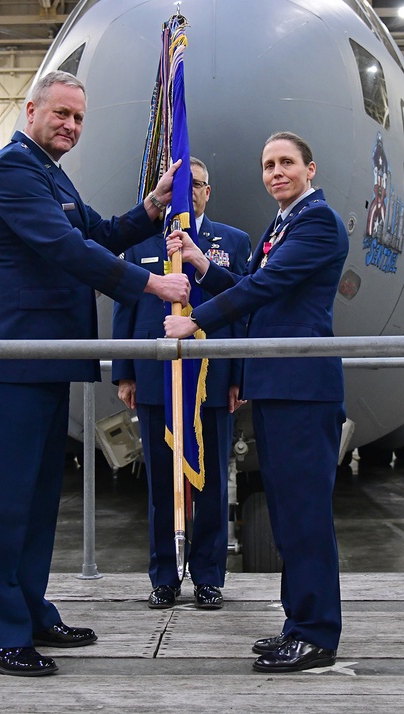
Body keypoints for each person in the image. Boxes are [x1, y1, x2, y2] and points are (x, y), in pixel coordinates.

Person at [0, 70, 190, 677]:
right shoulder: (14, 171)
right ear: (31, 109)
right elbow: (68, 250)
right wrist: (152, 282)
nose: (70, 126)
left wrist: (154, 205)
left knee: (38, 502)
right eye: (61, 113)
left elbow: (102, 233)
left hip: (44, 359)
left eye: (79, 118)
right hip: (12, 359)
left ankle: (31, 610)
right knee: (3, 502)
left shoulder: (50, 174)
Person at [164, 132, 349, 673]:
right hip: (277, 385)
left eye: (286, 162)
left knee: (306, 515)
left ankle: (316, 633)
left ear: (310, 169)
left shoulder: (316, 221)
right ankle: (299, 624)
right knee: (290, 515)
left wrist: (197, 319)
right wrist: (200, 262)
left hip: (301, 388)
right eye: (268, 164)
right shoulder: (283, 223)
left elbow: (265, 287)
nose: (275, 172)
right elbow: (252, 283)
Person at [112, 157, 251, 610]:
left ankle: (209, 577)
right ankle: (164, 577)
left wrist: (239, 376)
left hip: (212, 380)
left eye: (197, 184)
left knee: (211, 485)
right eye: (180, 183)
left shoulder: (232, 242)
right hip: (155, 380)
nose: (189, 191)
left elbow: (244, 310)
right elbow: (125, 309)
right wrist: (125, 371)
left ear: (208, 191)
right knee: (159, 485)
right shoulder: (141, 245)